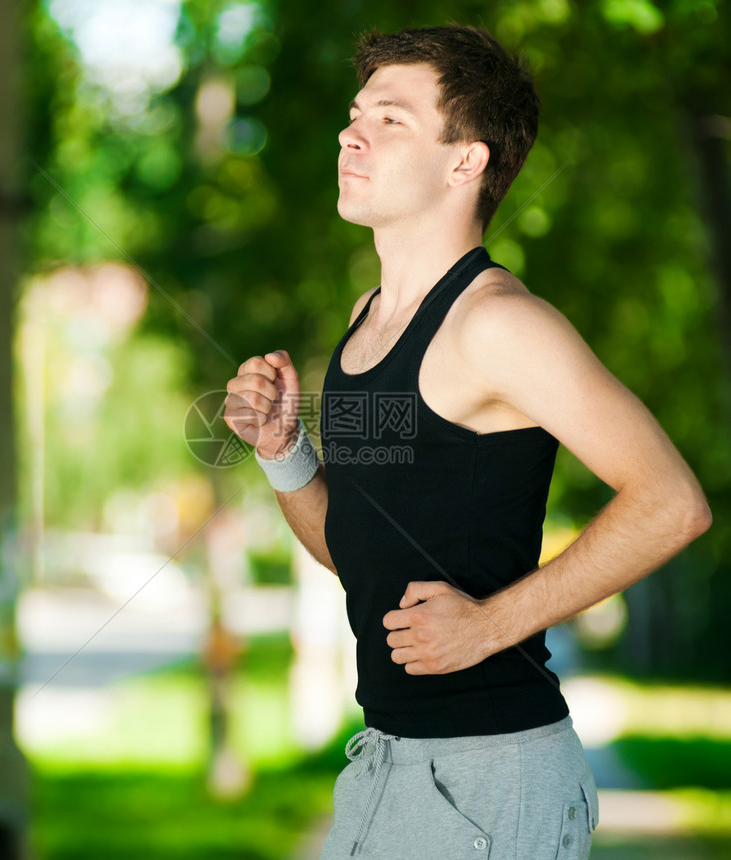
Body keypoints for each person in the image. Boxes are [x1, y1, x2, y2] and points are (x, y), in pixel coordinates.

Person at [223, 24, 711, 859]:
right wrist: (282, 451)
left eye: (391, 119)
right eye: (354, 113)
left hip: (493, 773)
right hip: (384, 765)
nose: (352, 133)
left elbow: (673, 504)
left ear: (465, 162)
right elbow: (360, 554)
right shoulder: (365, 324)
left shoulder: (499, 325)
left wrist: (488, 626)